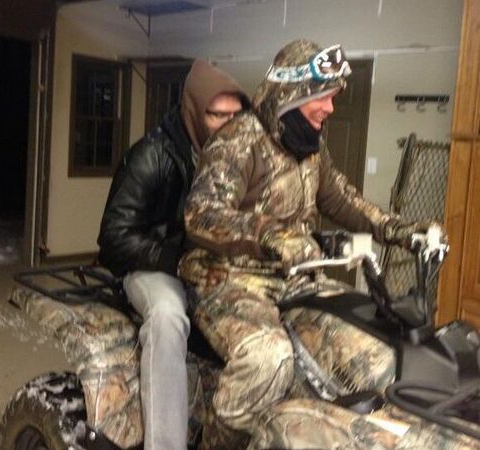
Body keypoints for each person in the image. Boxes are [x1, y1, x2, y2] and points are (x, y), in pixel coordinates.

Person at [179, 39, 444, 449]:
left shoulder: (310, 146)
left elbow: (342, 199)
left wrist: (402, 230)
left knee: (375, 344)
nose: (330, 108)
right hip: (227, 280)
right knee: (267, 358)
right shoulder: (238, 141)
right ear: (290, 94)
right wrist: (269, 234)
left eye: (333, 97)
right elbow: (201, 214)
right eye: (322, 97)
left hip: (295, 280)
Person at [97, 59, 248, 450]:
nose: (230, 126)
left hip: (212, 267)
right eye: (218, 115)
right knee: (167, 318)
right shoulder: (152, 155)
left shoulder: (239, 159)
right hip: (153, 265)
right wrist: (176, 259)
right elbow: (113, 239)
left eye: (236, 116)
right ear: (193, 112)